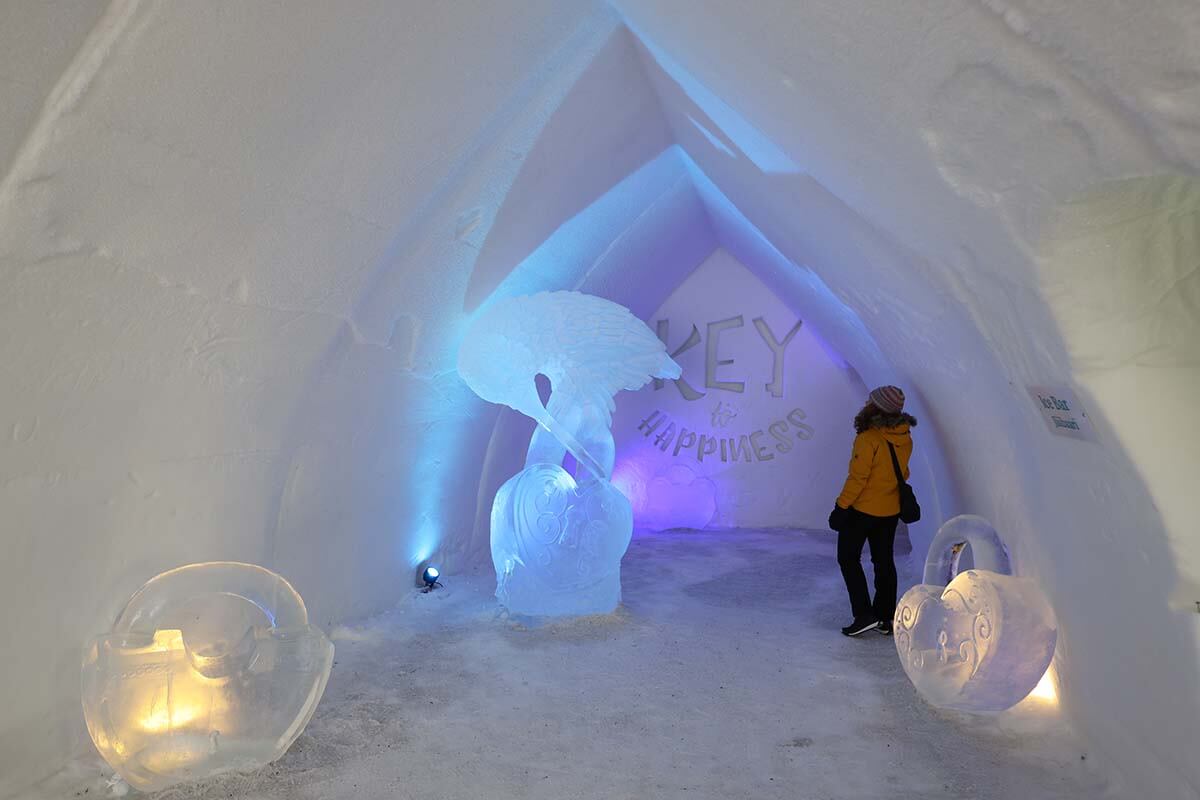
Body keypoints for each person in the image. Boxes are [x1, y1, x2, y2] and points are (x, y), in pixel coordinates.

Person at [828, 386, 917, 637]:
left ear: (877, 407)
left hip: (862, 510)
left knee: (848, 558)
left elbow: (858, 478)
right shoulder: (904, 435)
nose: (867, 401)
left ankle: (864, 614)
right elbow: (903, 472)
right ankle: (885, 617)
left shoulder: (869, 438)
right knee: (884, 562)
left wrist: (841, 507)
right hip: (889, 511)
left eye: (871, 400)